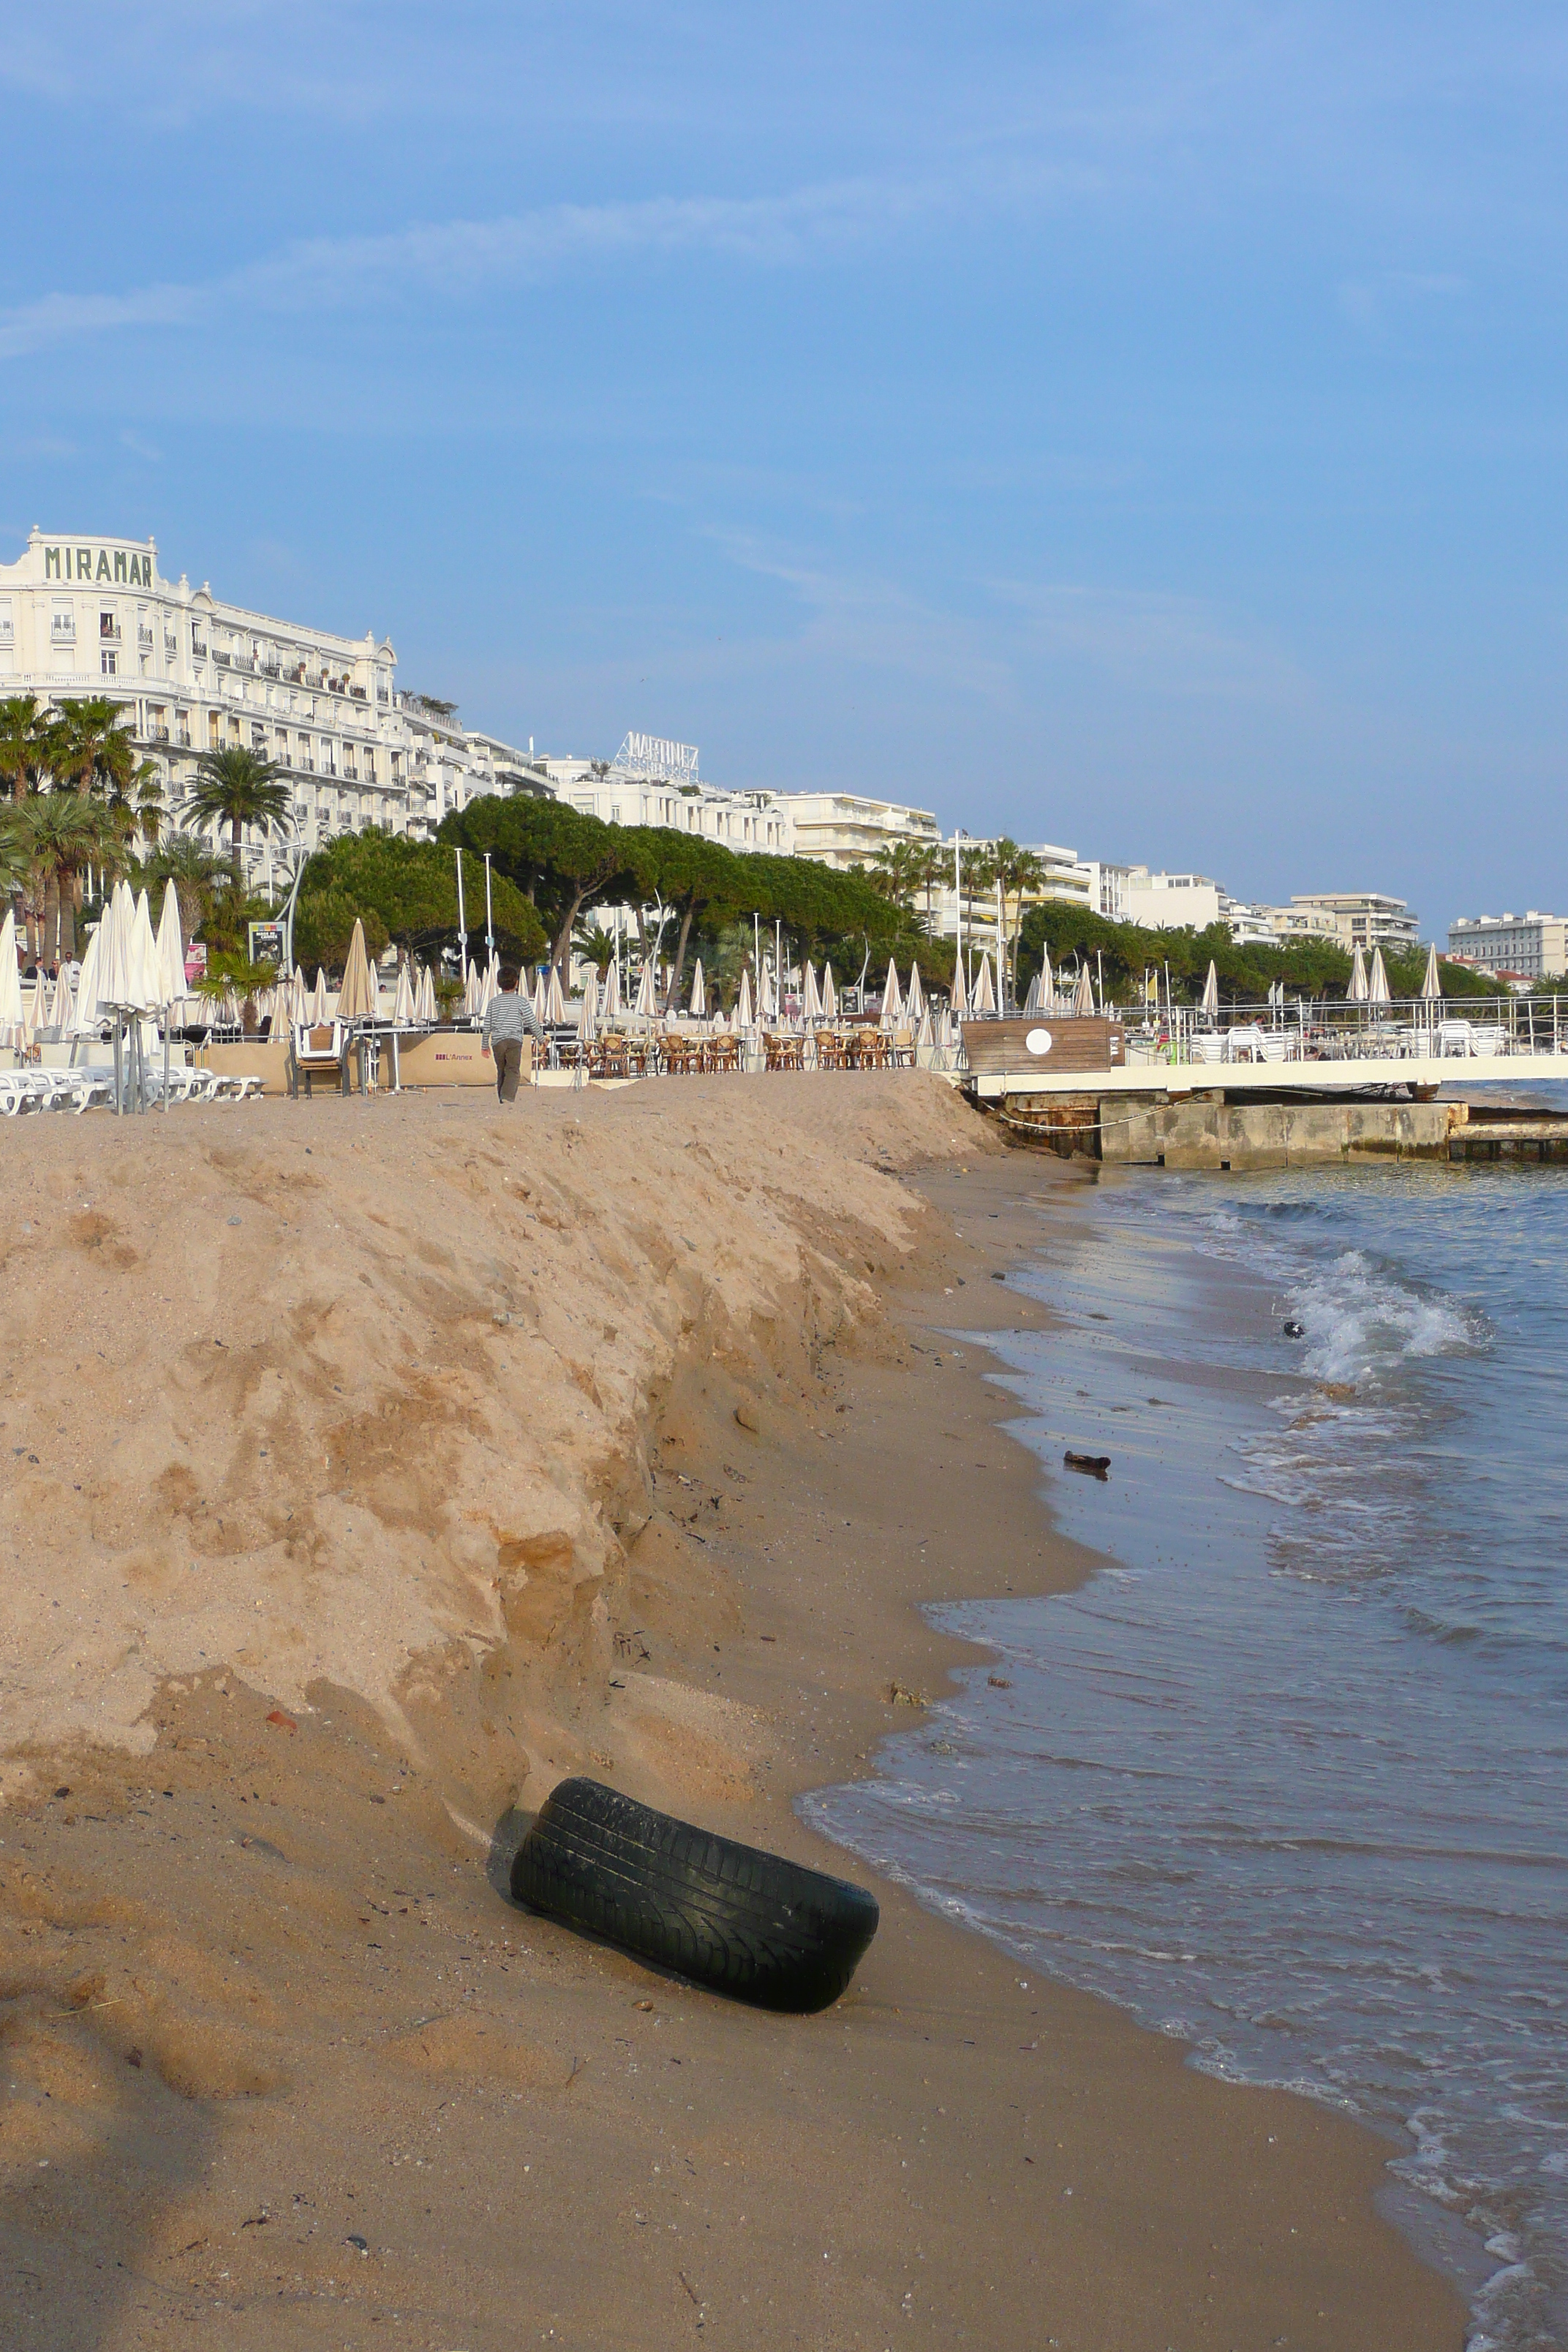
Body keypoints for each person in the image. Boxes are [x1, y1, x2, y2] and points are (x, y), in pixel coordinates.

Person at [480, 965, 545, 1102]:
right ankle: (507, 1097)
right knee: (513, 1070)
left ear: (498, 983)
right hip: (514, 1040)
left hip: (497, 1041)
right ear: (517, 983)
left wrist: (484, 1045)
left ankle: (502, 1098)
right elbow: (532, 1022)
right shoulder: (521, 1001)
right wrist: (541, 1039)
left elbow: (487, 1026)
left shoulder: (493, 1003)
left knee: (502, 1070)